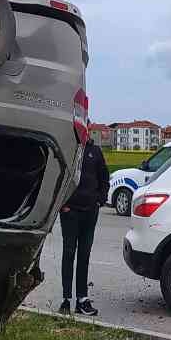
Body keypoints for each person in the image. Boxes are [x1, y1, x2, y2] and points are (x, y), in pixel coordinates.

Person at [59, 130, 109, 316]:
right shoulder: (69, 149)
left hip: (90, 212)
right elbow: (59, 177)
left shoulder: (95, 151)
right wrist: (62, 205)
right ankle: (66, 299)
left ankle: (82, 299)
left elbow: (104, 178)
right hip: (70, 212)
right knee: (69, 254)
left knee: (84, 256)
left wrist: (99, 201)